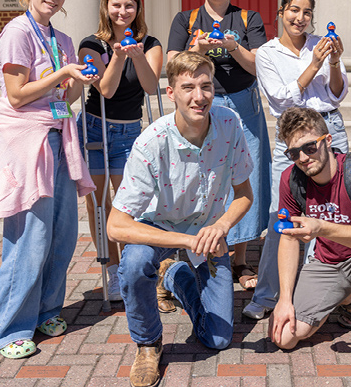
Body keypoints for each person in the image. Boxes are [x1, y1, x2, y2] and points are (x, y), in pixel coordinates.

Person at [0, 0, 97, 358]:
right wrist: (62, 74)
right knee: (29, 238)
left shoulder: (62, 38)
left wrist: (78, 81)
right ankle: (7, 329)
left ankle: (47, 310)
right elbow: (17, 95)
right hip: (28, 145)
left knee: (61, 234)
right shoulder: (17, 32)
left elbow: (64, 98)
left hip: (59, 138)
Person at [106, 51, 254, 387]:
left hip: (208, 229)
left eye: (205, 86)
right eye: (188, 88)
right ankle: (148, 344)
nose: (199, 97)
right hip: (159, 226)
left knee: (217, 339)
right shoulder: (151, 142)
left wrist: (221, 226)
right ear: (171, 93)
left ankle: (173, 274)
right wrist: (187, 241)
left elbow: (244, 194)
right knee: (134, 263)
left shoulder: (229, 124)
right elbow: (116, 226)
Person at [269, 108, 351, 384]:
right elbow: (288, 238)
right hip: (328, 261)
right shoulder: (291, 179)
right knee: (283, 337)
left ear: (328, 140)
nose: (303, 158)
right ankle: (350, 299)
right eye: (294, 153)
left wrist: (321, 227)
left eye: (309, 147)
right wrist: (284, 300)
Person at [244, 0, 349, 320]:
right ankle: (267, 294)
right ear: (281, 12)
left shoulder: (322, 44)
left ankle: (328, 292)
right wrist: (315, 63)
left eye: (306, 12)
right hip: (290, 134)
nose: (299, 18)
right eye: (293, 10)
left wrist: (333, 61)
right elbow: (280, 99)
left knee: (333, 210)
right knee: (281, 214)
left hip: (329, 129)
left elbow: (337, 93)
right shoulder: (268, 53)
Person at [167, 0, 270, 291]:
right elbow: (172, 66)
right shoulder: (185, 20)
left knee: (245, 175)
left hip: (243, 104)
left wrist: (232, 46)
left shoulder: (248, 19)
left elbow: (257, 66)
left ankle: (239, 258)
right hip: (200, 105)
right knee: (201, 177)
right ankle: (201, 247)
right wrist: (197, 48)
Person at [76, 0, 163, 304]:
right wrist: (117, 55)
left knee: (129, 204)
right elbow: (107, 90)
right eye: (116, 5)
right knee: (98, 203)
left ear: (138, 8)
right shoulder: (92, 45)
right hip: (95, 130)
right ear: (106, 7)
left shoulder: (151, 44)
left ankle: (132, 268)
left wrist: (137, 55)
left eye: (129, 5)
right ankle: (112, 270)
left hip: (129, 133)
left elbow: (151, 87)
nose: (122, 11)